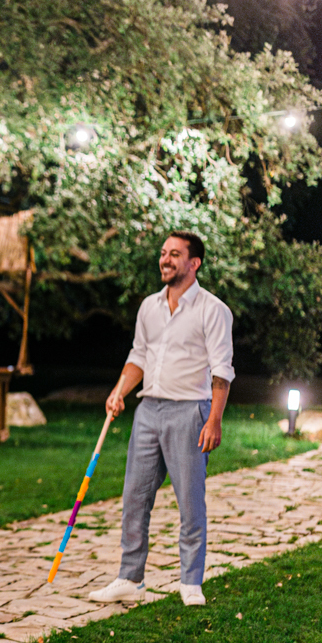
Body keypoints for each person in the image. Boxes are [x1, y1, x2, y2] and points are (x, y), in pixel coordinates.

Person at [88, 231, 234, 607]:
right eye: (163, 253)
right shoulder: (149, 307)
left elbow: (222, 369)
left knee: (190, 500)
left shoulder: (212, 310)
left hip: (190, 411)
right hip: (148, 411)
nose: (166, 260)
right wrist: (119, 391)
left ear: (194, 263)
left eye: (175, 254)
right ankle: (130, 578)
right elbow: (138, 356)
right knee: (135, 497)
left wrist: (214, 419)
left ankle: (190, 582)